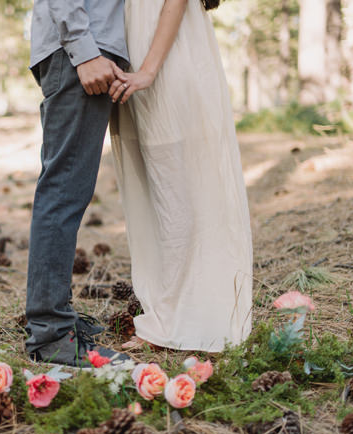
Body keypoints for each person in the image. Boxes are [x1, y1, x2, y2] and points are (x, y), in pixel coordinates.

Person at [108, 0, 253, 352]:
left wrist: (149, 69)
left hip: (163, 53)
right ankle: (172, 309)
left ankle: (182, 319)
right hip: (135, 49)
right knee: (156, 188)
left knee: (176, 184)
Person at [25, 1, 131, 367]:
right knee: (64, 189)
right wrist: (83, 50)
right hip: (81, 52)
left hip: (87, 48)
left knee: (69, 188)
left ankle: (54, 320)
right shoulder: (83, 51)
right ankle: (51, 334)